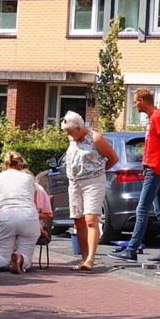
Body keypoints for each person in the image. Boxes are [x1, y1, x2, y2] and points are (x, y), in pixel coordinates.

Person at [110, 88, 160, 264]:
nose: (134, 105)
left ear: (143, 101)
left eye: (136, 101)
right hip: (153, 169)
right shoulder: (152, 118)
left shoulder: (158, 116)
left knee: (142, 209)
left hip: (155, 169)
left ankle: (131, 250)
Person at [61, 111, 119, 271]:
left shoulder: (96, 138)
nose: (69, 135)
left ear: (79, 128)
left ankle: (91, 260)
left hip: (92, 182)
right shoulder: (72, 138)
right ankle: (84, 258)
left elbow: (113, 158)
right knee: (78, 222)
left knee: (91, 220)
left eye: (71, 131)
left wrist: (98, 171)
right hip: (74, 183)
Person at [0, 152, 39, 274]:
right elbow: (34, 202)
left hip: (5, 216)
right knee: (27, 254)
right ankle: (20, 258)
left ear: (5, 165)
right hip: (28, 216)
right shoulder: (28, 178)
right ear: (20, 165)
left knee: (4, 255)